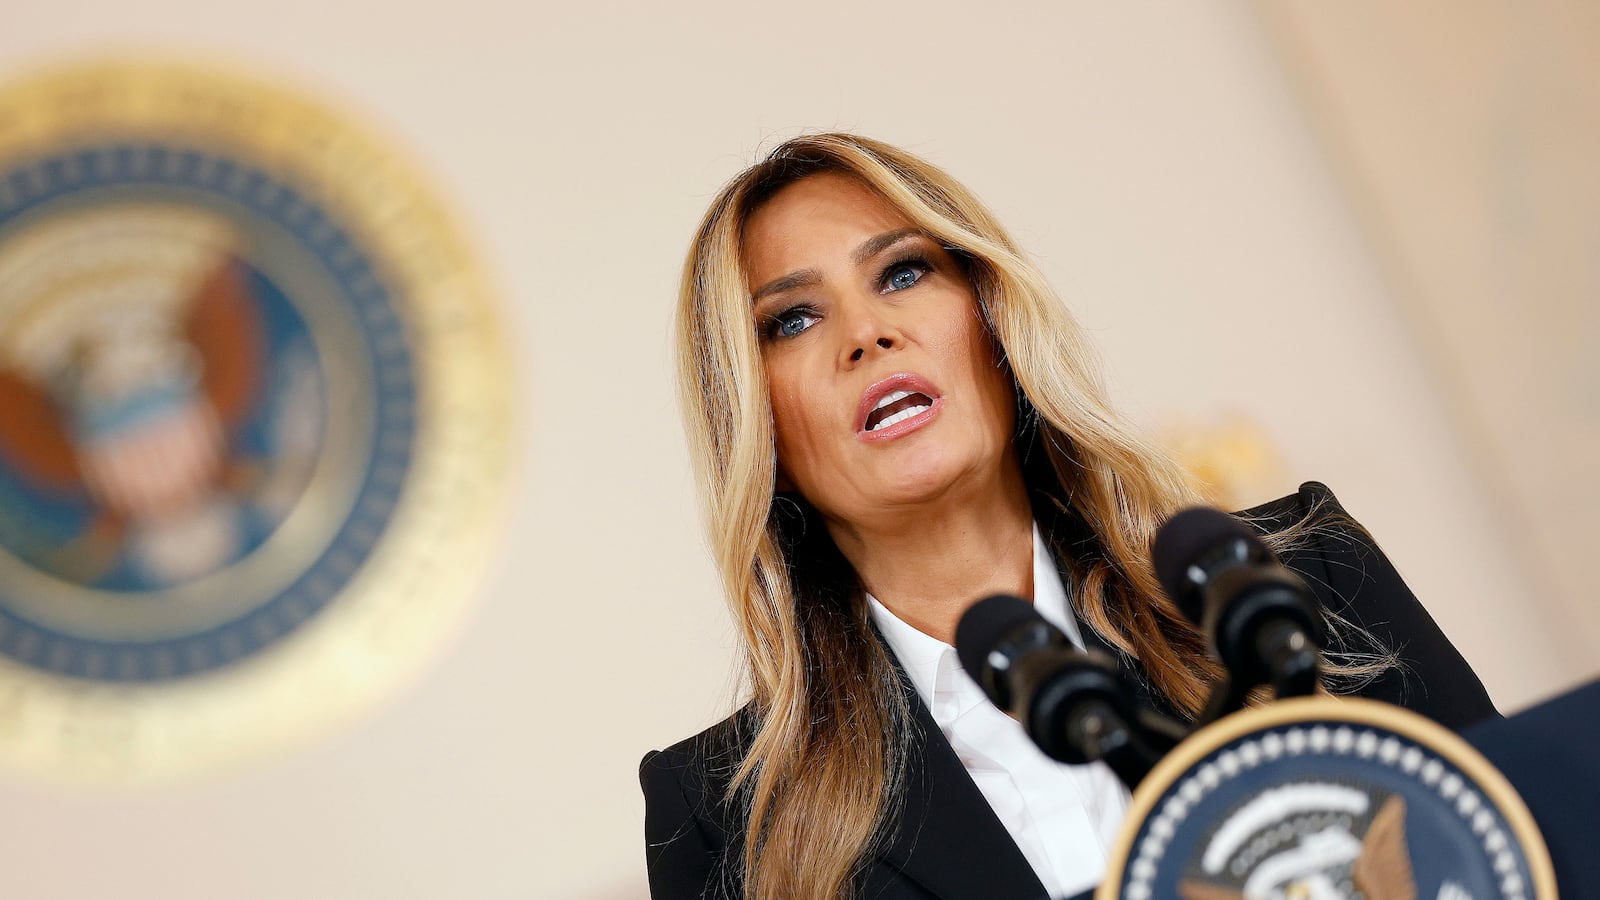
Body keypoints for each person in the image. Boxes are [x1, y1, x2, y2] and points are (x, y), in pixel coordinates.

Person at [640, 133, 1495, 900]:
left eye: (903, 273)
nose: (866, 332)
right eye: (792, 319)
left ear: (994, 320)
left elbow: (1533, 845)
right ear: (759, 429)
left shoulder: (1297, 581)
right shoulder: (723, 816)